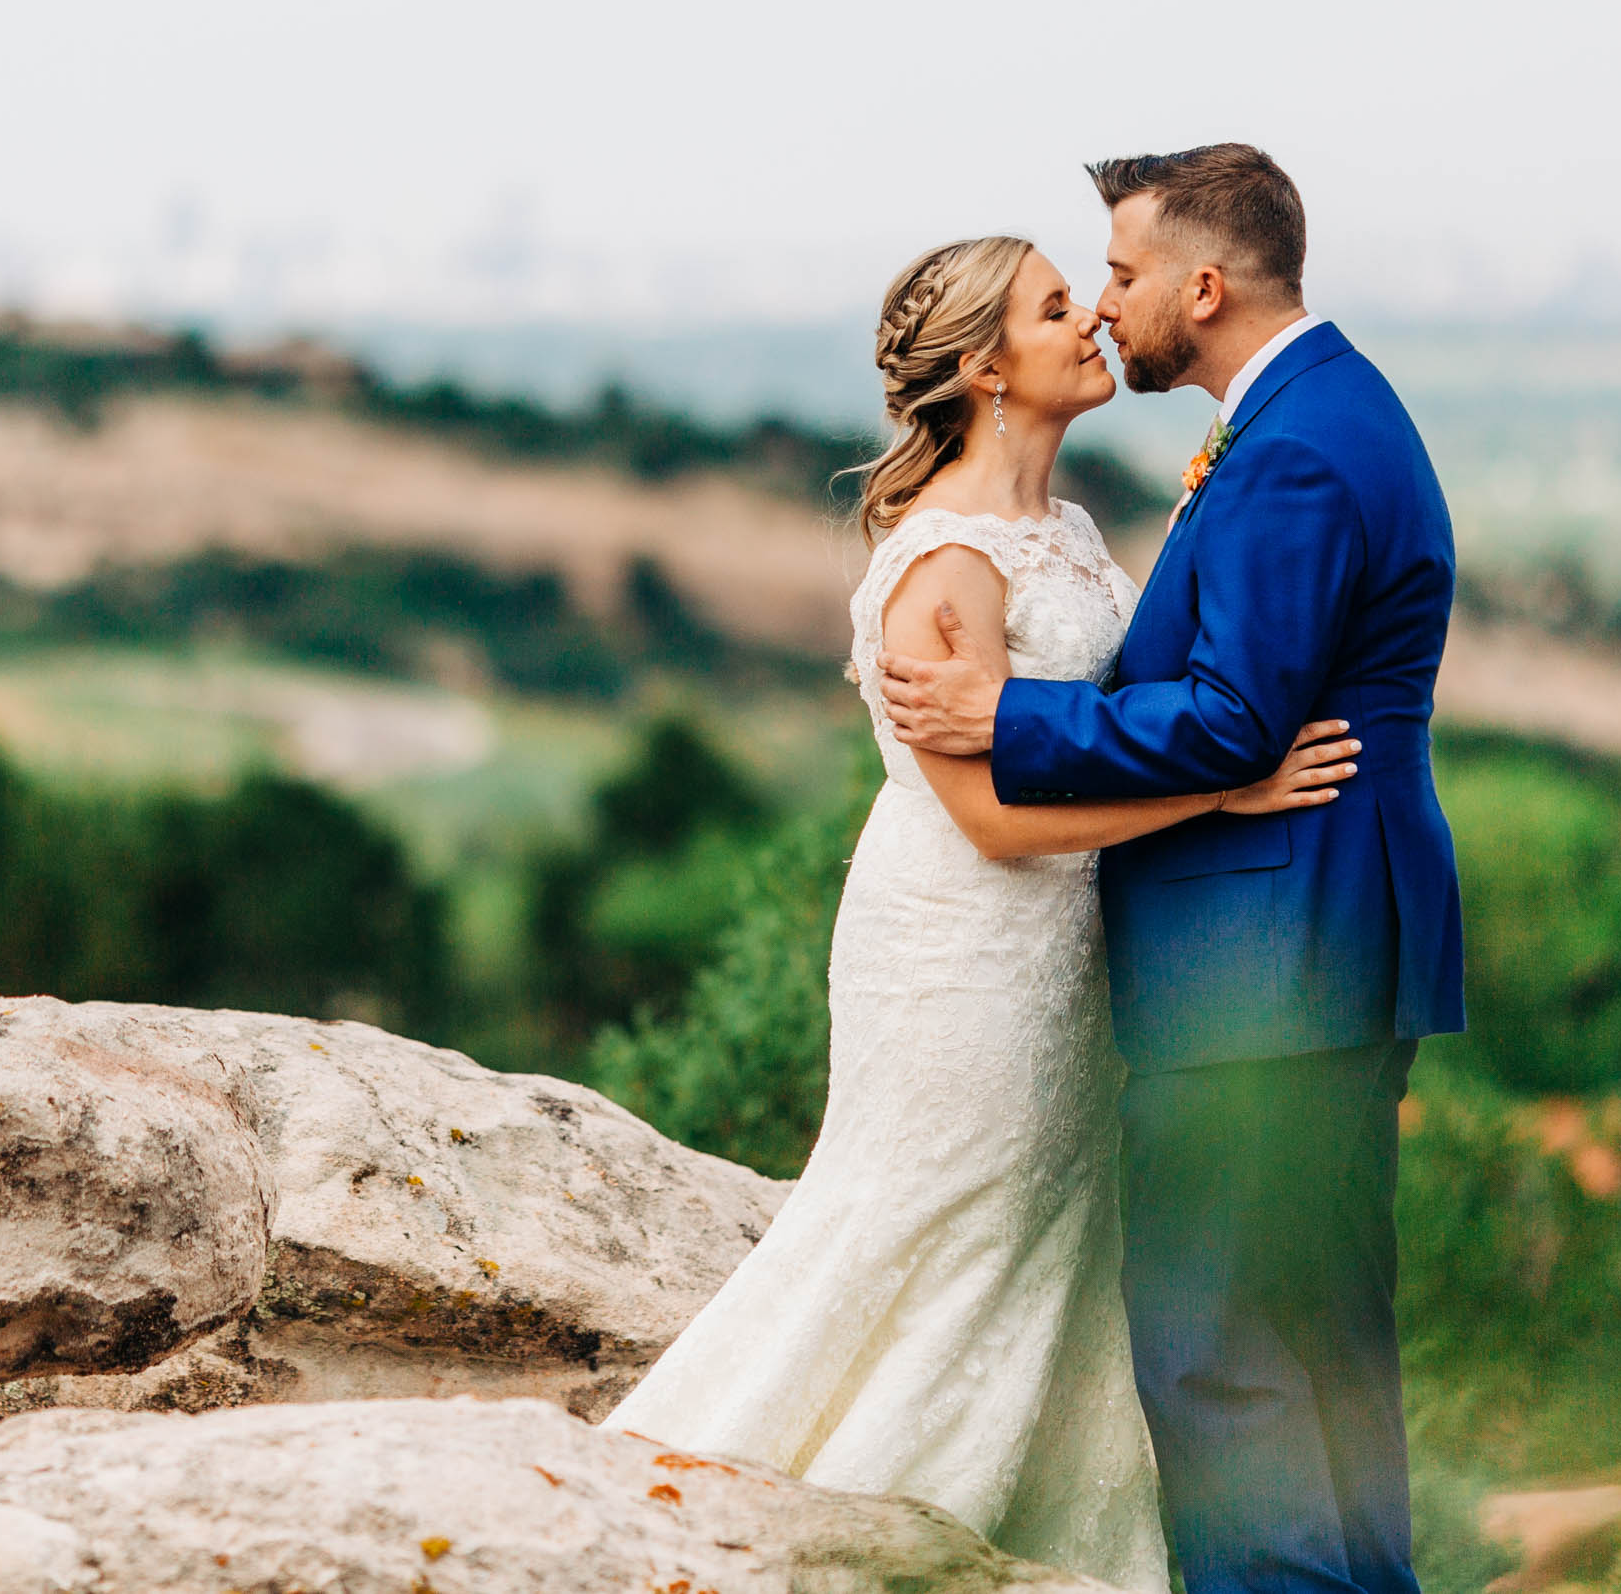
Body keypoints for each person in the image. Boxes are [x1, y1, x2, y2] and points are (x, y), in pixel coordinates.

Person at [602, 231, 1361, 1593]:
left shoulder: (1063, 531)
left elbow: (1113, 724)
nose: (1093, 326)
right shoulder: (939, 565)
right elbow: (996, 819)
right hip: (962, 959)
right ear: (985, 369)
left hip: (1066, 954)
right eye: (1056, 309)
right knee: (939, 1226)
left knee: (1053, 1251)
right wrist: (1222, 799)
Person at [880, 144, 1467, 1594]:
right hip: (1304, 954)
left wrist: (1009, 716)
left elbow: (1230, 716)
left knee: (1227, 1370)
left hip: (1263, 975)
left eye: (1125, 276)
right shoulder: (1318, 414)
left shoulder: (1296, 449)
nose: (1108, 309)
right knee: (1322, 1360)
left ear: (1203, 288)